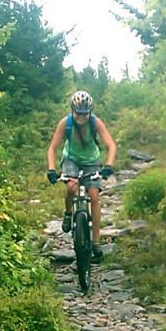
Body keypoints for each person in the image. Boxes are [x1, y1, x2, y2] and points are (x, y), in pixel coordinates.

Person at [46, 90, 117, 262]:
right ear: (72, 111)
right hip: (71, 159)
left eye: (85, 114)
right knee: (71, 186)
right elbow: (52, 148)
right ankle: (69, 213)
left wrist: (108, 165)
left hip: (92, 160)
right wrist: (52, 169)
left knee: (94, 196)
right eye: (78, 113)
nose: (81, 117)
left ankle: (96, 242)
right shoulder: (66, 123)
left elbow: (111, 145)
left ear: (89, 112)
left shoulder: (95, 122)